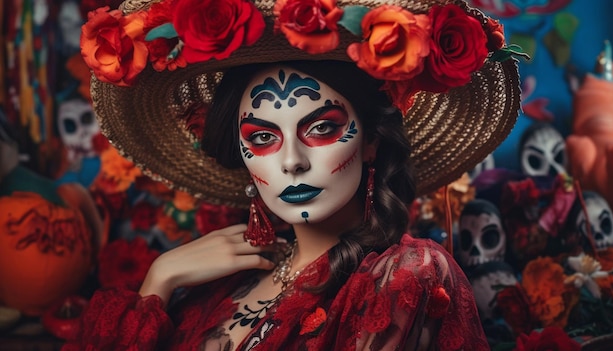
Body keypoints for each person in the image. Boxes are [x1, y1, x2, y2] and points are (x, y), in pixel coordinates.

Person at [66, 0, 521, 349]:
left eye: (321, 128)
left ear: (371, 141)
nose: (291, 161)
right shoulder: (219, 281)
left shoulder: (405, 274)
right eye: (263, 137)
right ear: (243, 155)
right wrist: (158, 281)